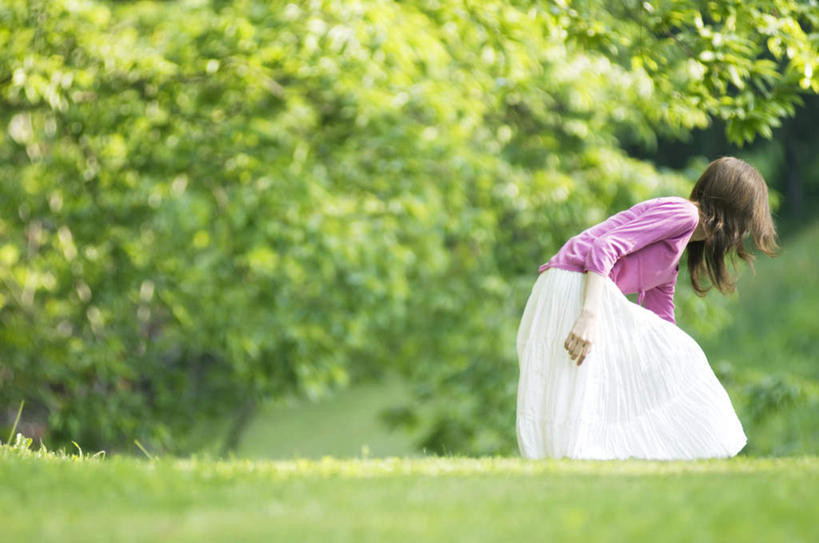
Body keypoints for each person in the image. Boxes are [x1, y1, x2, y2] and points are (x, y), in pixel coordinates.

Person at [515, 156, 779, 460]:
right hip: (574, 283)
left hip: (578, 286)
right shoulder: (684, 213)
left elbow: (662, 325)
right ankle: (564, 460)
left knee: (676, 356)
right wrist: (589, 315)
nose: (745, 231)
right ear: (735, 208)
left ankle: (565, 464)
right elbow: (604, 248)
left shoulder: (671, 259)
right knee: (574, 386)